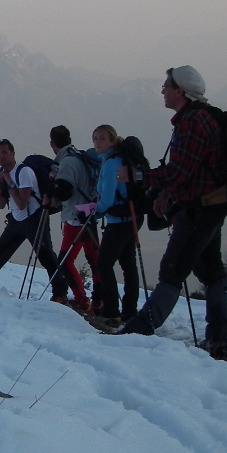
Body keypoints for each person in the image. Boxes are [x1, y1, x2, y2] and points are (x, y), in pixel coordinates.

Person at [116, 65, 227, 361]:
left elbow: (180, 171)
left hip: (198, 210)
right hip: (209, 205)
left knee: (172, 269)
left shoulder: (193, 122)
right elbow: (192, 171)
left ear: (180, 91)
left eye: (167, 86)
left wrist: (139, 176)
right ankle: (219, 339)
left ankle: (141, 328)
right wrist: (168, 193)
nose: (162, 91)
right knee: (211, 270)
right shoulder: (203, 118)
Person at [0, 139, 65, 301]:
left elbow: (22, 203)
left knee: (45, 256)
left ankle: (60, 293)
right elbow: (0, 205)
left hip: (34, 219)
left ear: (13, 153)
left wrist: (9, 182)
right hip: (16, 221)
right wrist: (0, 184)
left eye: (4, 153)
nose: (0, 157)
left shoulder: (24, 172)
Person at [91, 125, 142, 327]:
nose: (97, 142)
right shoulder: (117, 159)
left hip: (119, 220)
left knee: (104, 263)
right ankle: (129, 311)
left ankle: (111, 312)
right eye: (95, 138)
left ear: (112, 141)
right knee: (128, 264)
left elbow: (107, 199)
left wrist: (93, 210)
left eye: (102, 138)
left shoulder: (111, 163)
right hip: (132, 217)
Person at [47, 125, 101, 316]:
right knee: (95, 260)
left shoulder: (67, 162)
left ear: (52, 144)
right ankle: (99, 301)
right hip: (90, 214)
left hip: (75, 217)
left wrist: (53, 182)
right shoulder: (80, 155)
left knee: (65, 261)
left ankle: (82, 301)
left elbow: (64, 192)